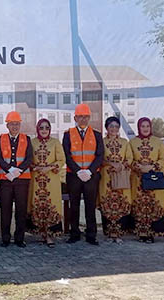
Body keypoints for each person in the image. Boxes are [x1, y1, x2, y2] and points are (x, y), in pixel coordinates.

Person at [62, 103, 104, 245]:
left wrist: (89, 171)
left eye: (86, 117)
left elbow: (99, 156)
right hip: (74, 175)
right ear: (75, 118)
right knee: (74, 205)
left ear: (89, 118)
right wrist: (78, 171)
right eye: (80, 117)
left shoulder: (97, 135)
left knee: (90, 205)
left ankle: (91, 234)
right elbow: (67, 155)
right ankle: (74, 233)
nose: (83, 119)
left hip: (91, 176)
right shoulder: (68, 134)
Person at [0, 111, 33, 248]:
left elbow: (29, 158)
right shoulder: (1, 139)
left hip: (22, 180)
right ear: (7, 125)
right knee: (5, 210)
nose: (15, 127)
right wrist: (9, 170)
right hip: (5, 180)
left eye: (17, 124)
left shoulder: (26, 139)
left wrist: (18, 170)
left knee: (21, 210)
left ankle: (19, 238)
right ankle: (5, 238)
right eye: (12, 124)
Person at [129, 118, 164, 243]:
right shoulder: (133, 142)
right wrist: (139, 167)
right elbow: (129, 159)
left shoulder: (157, 142)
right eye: (142, 126)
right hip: (138, 180)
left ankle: (152, 233)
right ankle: (141, 233)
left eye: (147, 126)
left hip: (154, 179)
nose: (145, 128)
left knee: (153, 205)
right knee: (140, 206)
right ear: (138, 127)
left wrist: (152, 167)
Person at [27, 118, 65, 247]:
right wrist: (36, 167)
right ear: (37, 129)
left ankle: (49, 235)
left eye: (47, 128)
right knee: (37, 204)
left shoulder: (55, 142)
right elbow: (28, 160)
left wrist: (49, 168)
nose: (44, 130)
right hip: (37, 180)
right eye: (41, 127)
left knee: (51, 204)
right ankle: (41, 234)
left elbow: (61, 160)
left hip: (51, 180)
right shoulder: (32, 143)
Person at [98, 116, 133, 244]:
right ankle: (109, 233)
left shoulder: (124, 142)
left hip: (120, 177)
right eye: (111, 126)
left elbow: (129, 158)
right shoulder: (101, 142)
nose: (114, 129)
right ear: (106, 127)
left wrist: (121, 165)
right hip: (106, 178)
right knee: (107, 204)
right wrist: (111, 164)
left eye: (116, 126)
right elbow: (99, 158)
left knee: (120, 204)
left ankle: (118, 233)